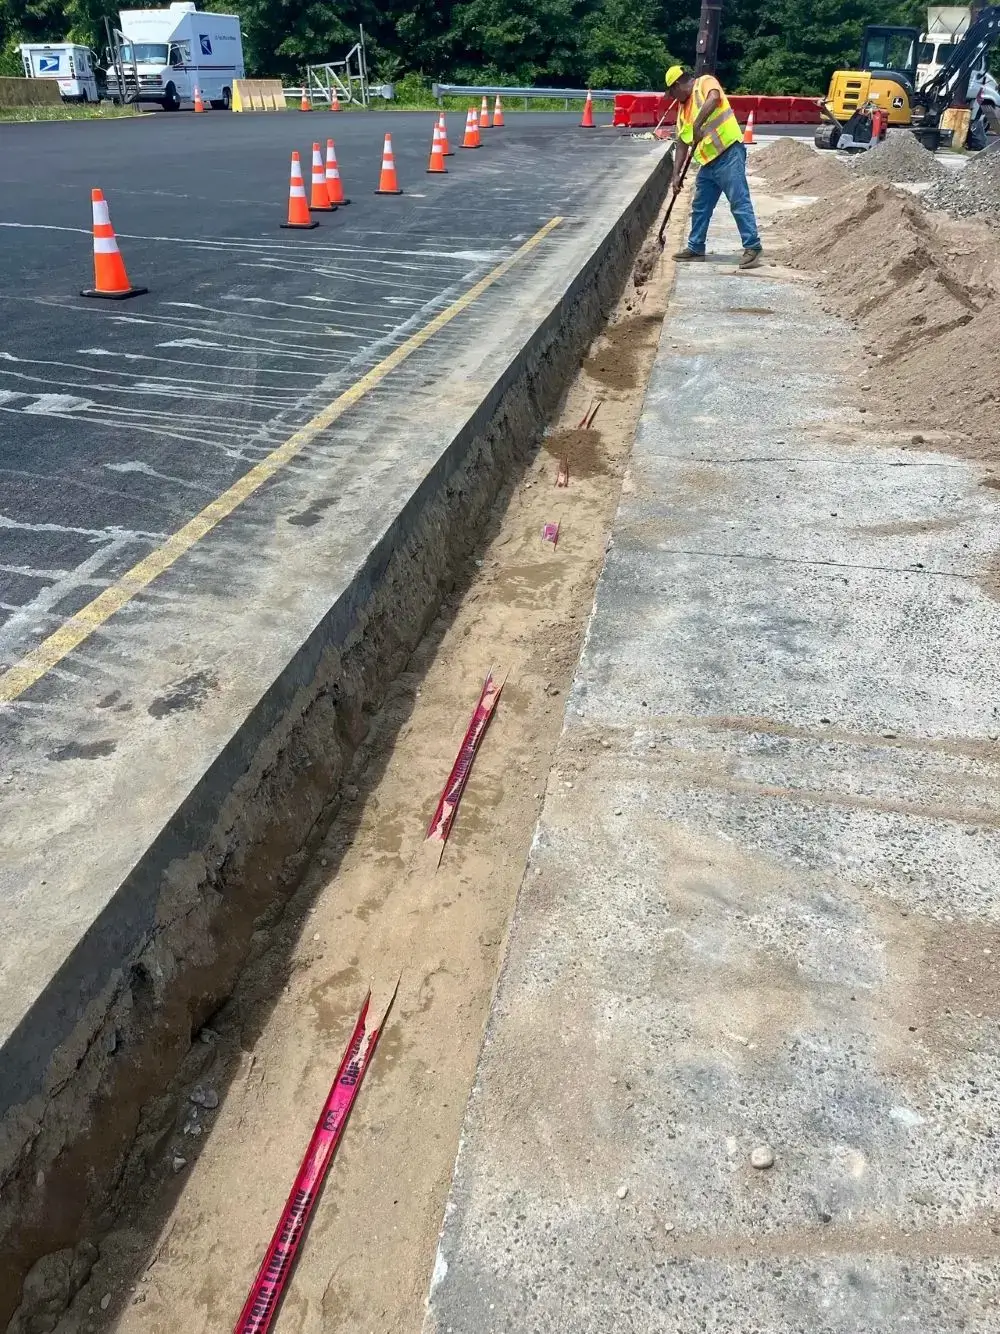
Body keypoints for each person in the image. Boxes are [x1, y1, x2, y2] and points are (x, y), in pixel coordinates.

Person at [664, 64, 762, 270]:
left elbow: (715, 97)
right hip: (708, 164)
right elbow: (682, 144)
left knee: (738, 201)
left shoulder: (704, 83)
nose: (672, 98)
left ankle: (752, 247)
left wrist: (697, 124)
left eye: (672, 93)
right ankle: (696, 247)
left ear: (678, 85)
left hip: (729, 153)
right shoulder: (682, 111)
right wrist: (676, 175)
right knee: (700, 206)